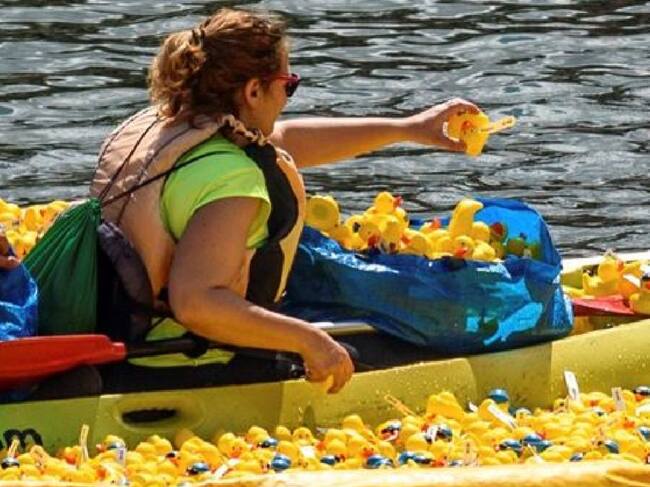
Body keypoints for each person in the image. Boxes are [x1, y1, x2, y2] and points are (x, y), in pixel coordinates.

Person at [90, 7, 480, 394]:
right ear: (253, 91)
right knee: (377, 349)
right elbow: (196, 303)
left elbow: (286, 139)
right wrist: (310, 341)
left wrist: (408, 128)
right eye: (288, 85)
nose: (287, 98)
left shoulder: (168, 126)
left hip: (122, 329)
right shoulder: (232, 180)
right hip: (190, 362)